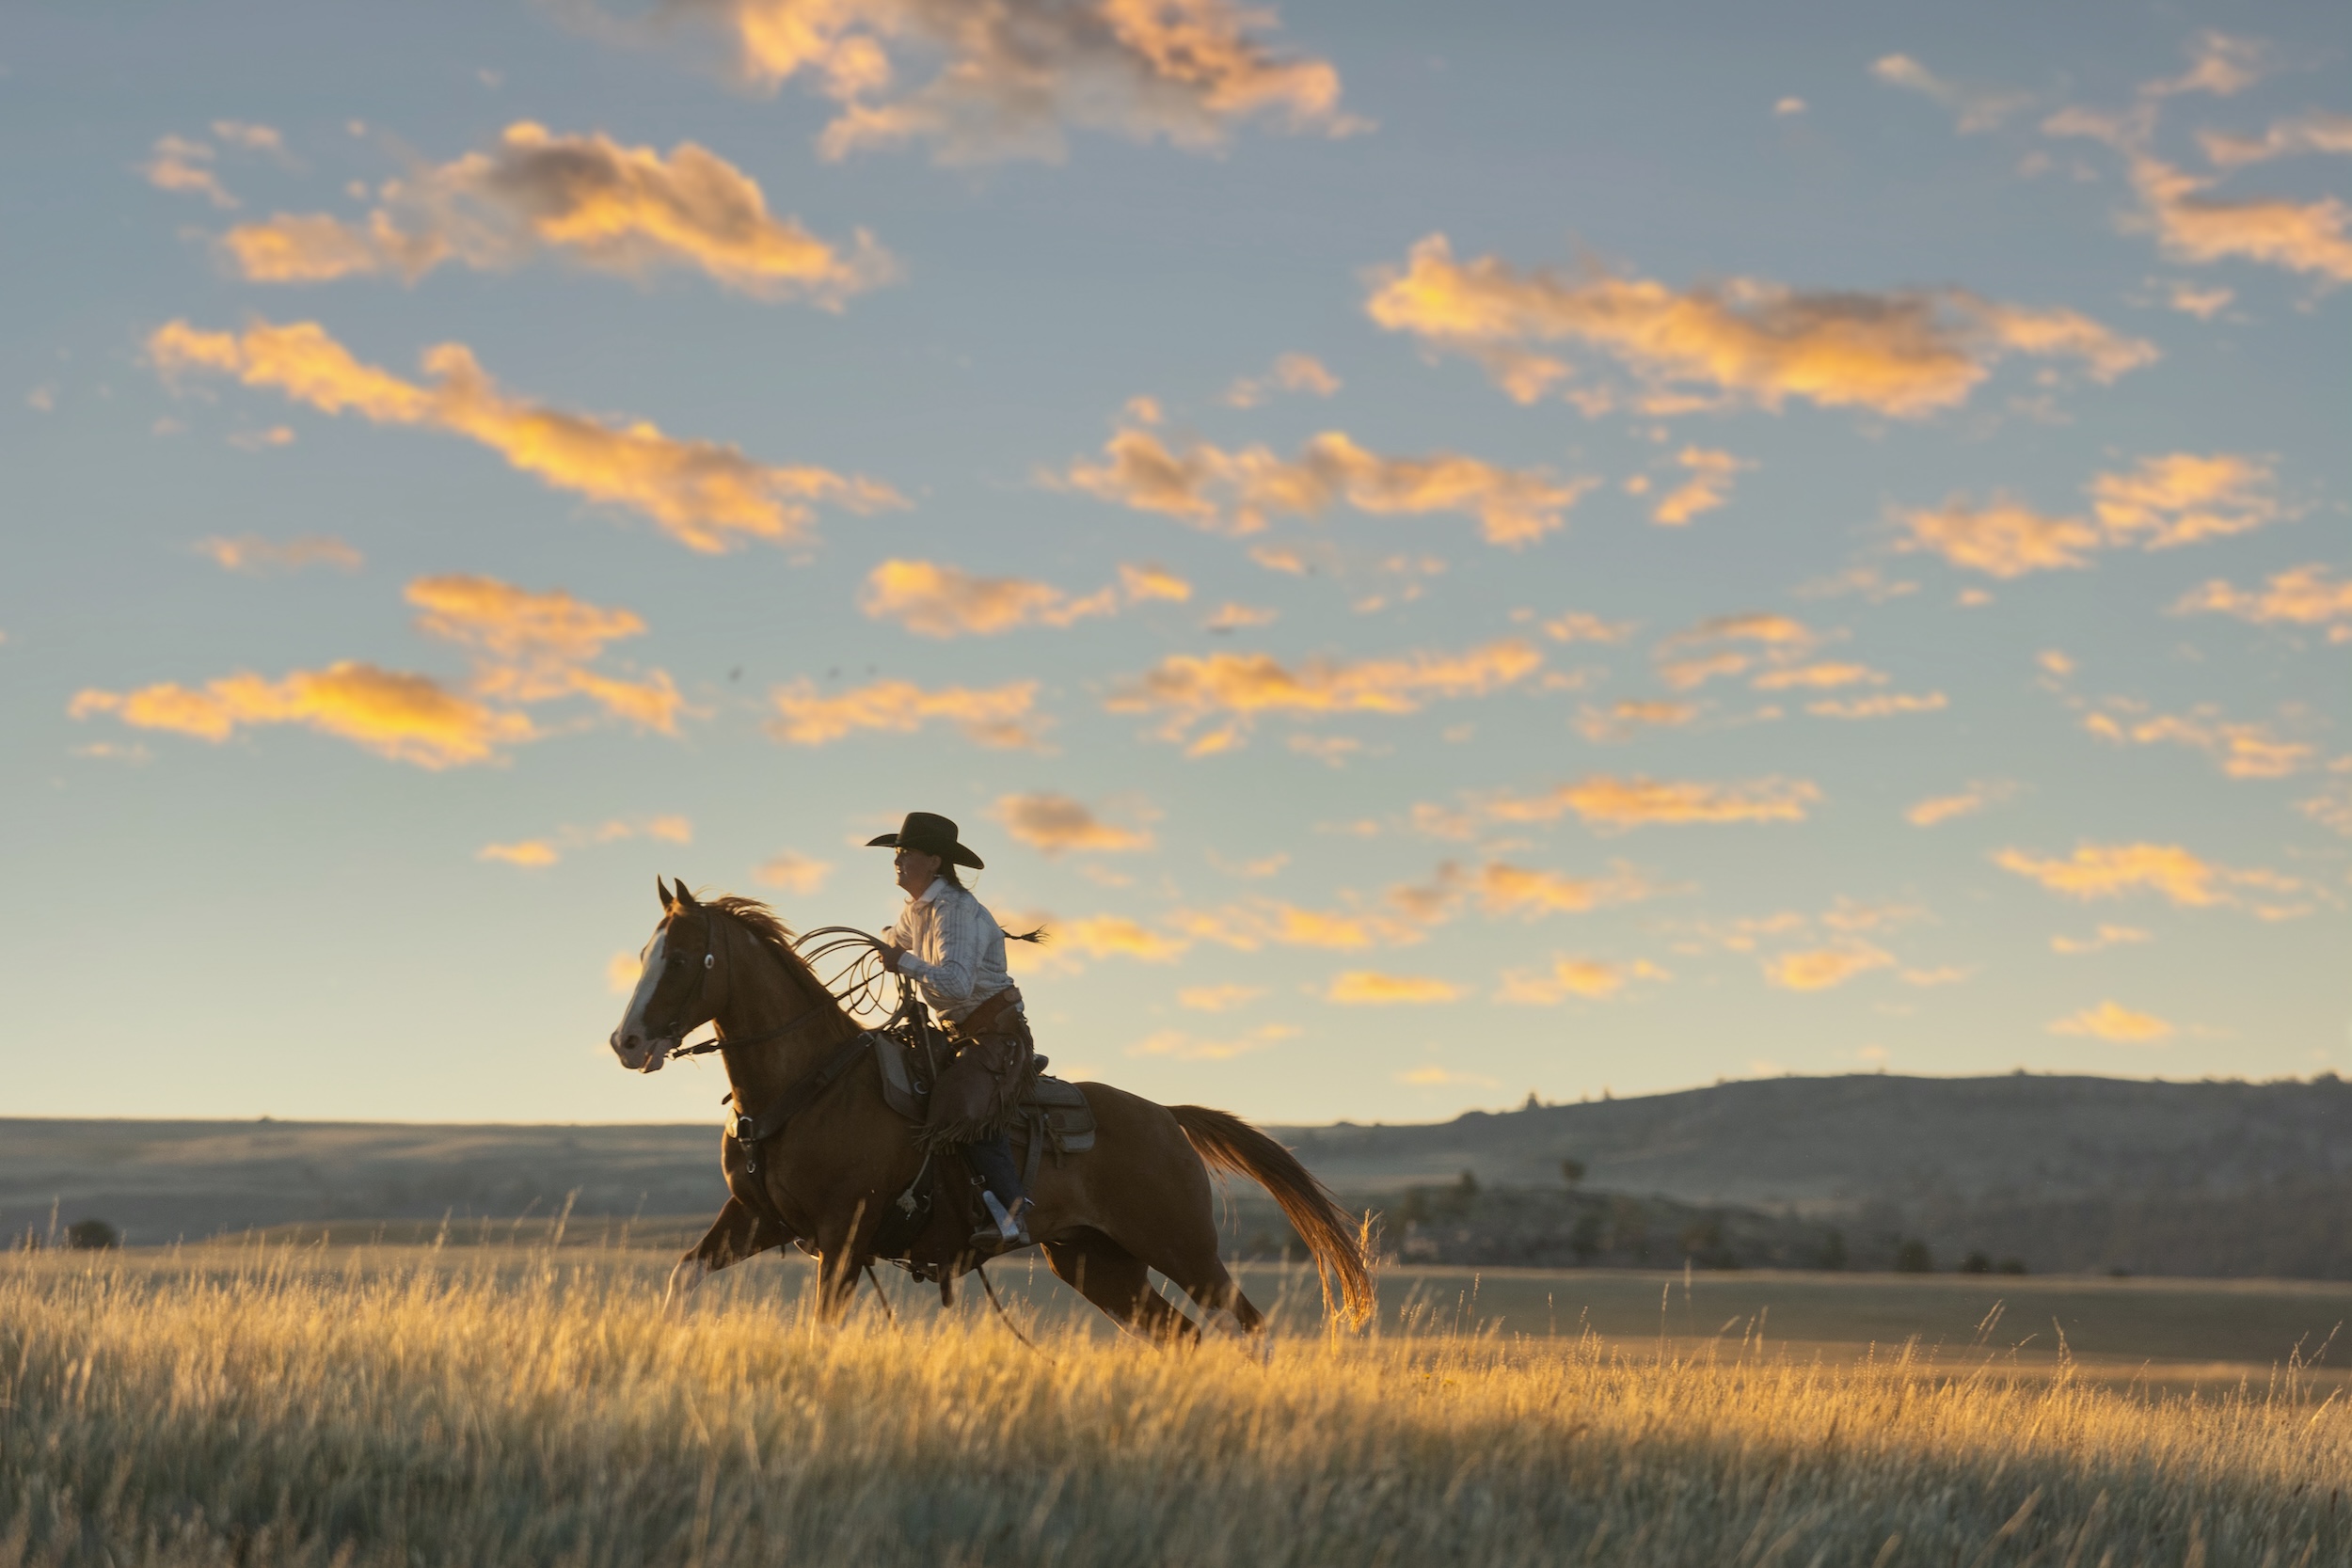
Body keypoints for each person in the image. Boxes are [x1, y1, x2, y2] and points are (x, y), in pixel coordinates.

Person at [870, 811, 1037, 1253]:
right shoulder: (918, 910)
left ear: (935, 861)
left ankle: (1012, 1213)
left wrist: (902, 961)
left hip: (995, 1034)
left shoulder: (956, 911)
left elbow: (957, 982)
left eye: (906, 853)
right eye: (898, 853)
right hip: (957, 1033)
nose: (897, 861)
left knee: (965, 1104)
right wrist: (889, 942)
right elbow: (896, 937)